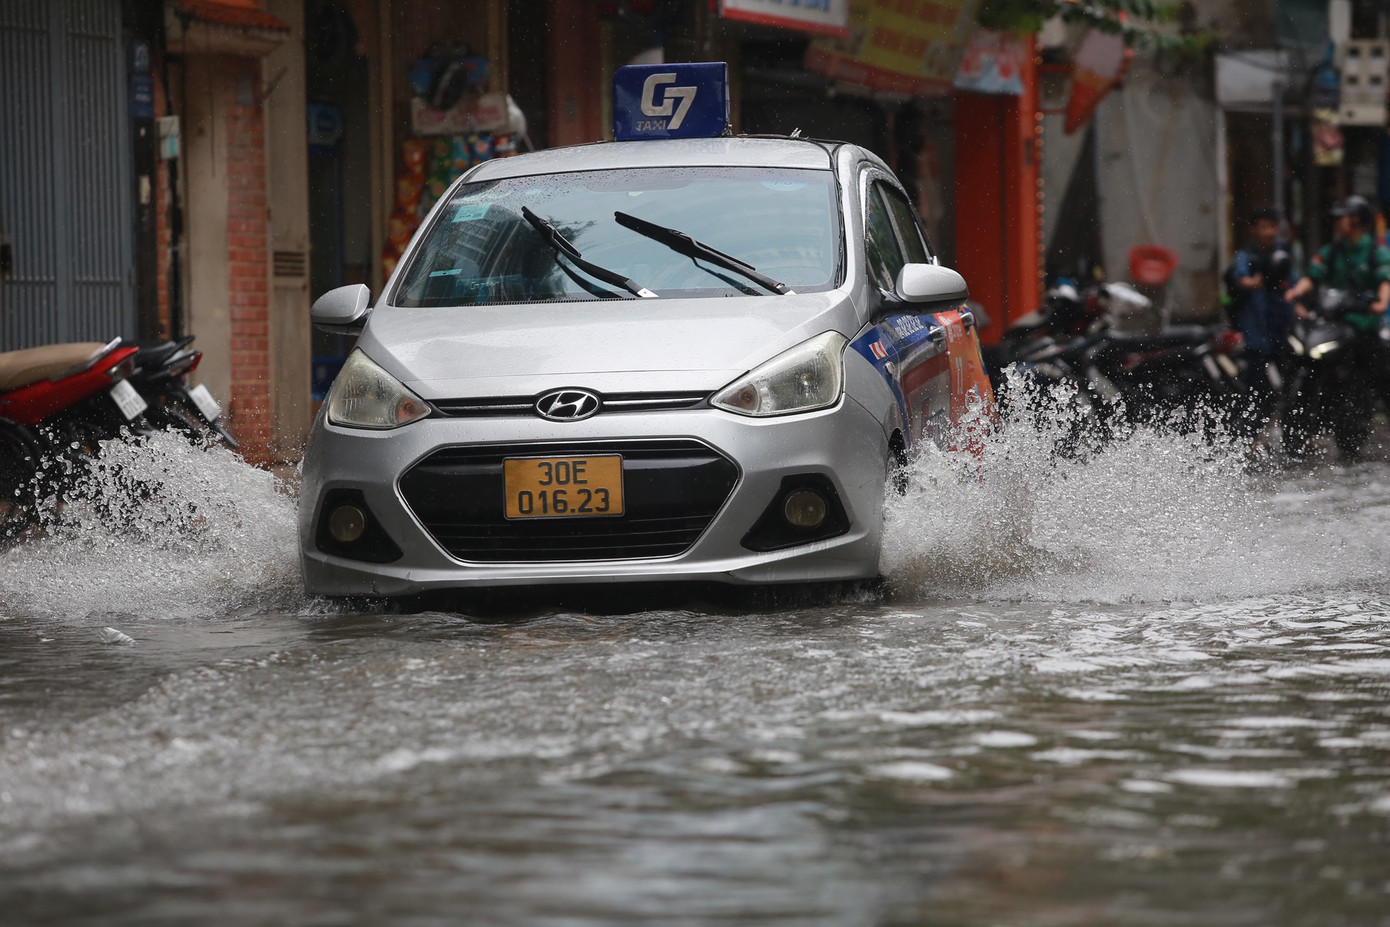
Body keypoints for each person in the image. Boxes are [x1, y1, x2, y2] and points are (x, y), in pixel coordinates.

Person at [1283, 194, 1390, 449]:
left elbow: (1384, 280)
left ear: (1357, 220)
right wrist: (1297, 291)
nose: (1337, 223)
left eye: (1342, 218)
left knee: (1379, 373)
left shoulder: (1375, 252)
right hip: (1333, 324)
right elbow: (1313, 276)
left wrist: (1381, 303)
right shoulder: (1332, 251)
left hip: (1363, 326)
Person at [1224, 207, 1294, 434]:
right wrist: (1260, 281)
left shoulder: (1283, 254)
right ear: (1253, 229)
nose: (1269, 232)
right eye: (1264, 227)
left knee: (1290, 385)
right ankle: (1250, 435)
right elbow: (1241, 280)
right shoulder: (1245, 256)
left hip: (1280, 327)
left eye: (1273, 226)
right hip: (1255, 330)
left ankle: (1293, 434)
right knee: (1256, 386)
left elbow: (1293, 284)